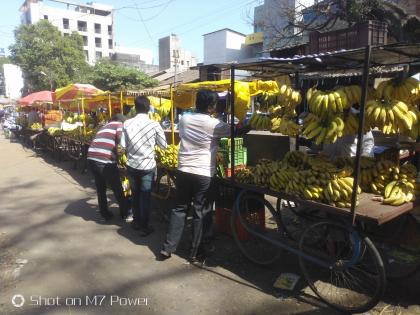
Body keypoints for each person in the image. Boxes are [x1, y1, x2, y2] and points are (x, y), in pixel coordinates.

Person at [160, 89, 230, 262]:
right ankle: (195, 252)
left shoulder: (184, 119)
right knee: (200, 211)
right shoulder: (215, 124)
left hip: (183, 170)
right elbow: (234, 131)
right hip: (203, 173)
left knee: (179, 208)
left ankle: (168, 247)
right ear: (211, 106)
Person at [121, 96, 168, 236]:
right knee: (145, 196)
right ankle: (144, 226)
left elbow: (123, 145)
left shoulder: (127, 123)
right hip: (147, 165)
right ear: (148, 108)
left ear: (135, 107)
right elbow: (164, 145)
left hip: (132, 165)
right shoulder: (154, 124)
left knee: (135, 195)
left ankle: (136, 222)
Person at [87, 115, 129, 221]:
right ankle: (125, 213)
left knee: (101, 188)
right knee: (117, 187)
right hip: (104, 160)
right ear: (122, 121)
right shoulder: (119, 125)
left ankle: (104, 214)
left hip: (91, 158)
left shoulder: (105, 126)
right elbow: (122, 141)